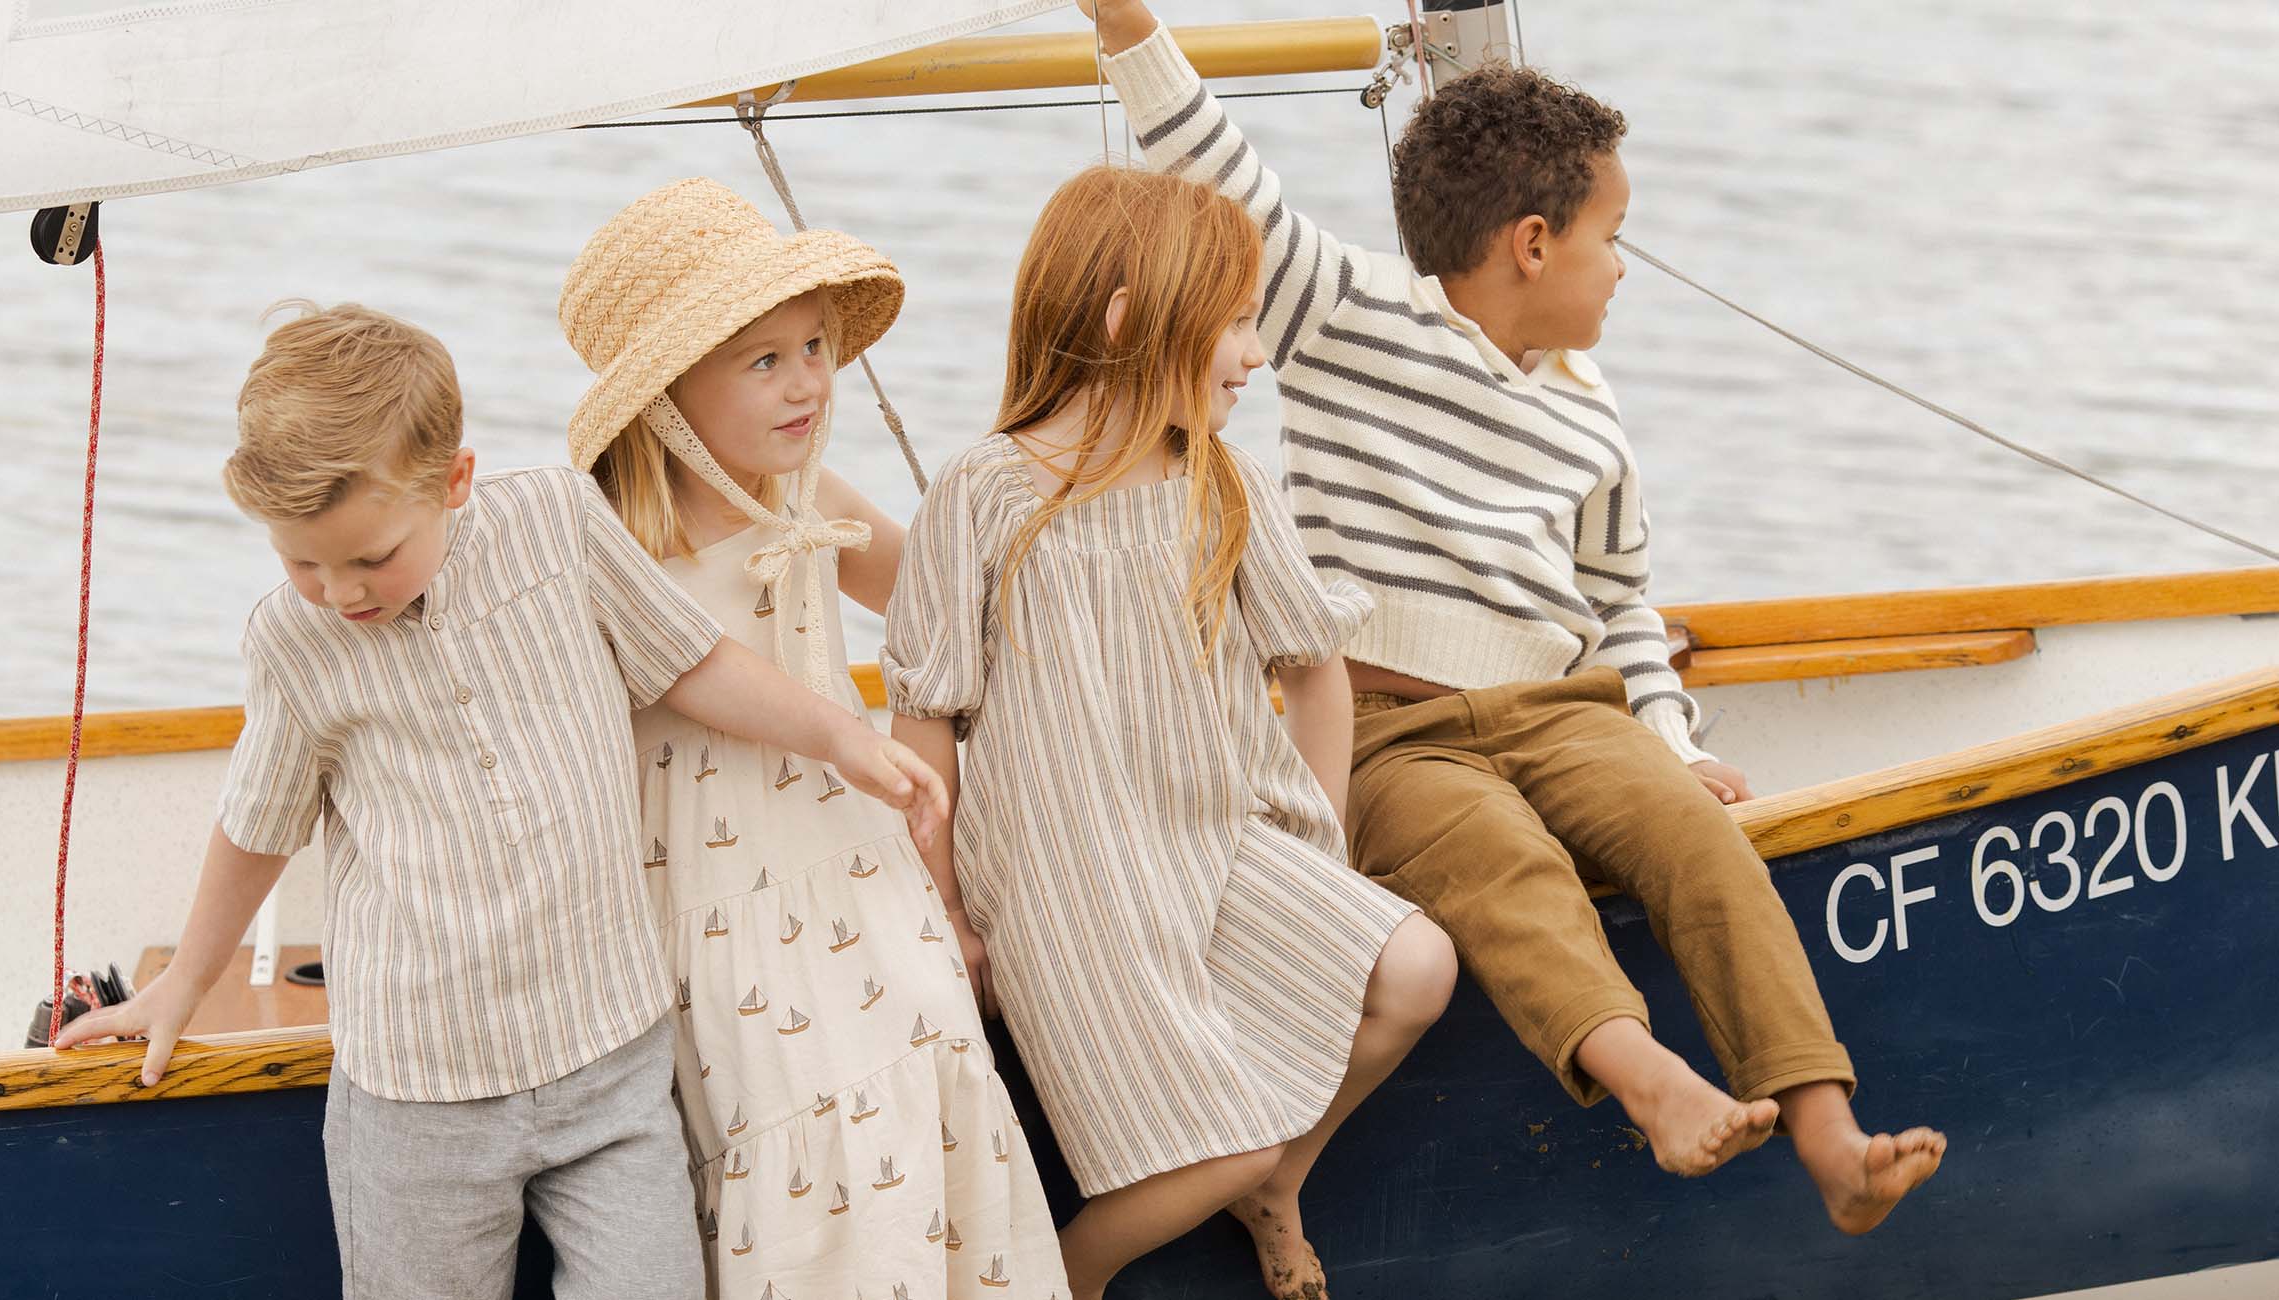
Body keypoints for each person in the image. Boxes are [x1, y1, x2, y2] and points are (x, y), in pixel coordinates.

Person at [1086, 0, 1945, 1235]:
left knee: (1701, 849)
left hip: (1562, 710)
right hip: (1395, 731)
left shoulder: (1590, 413)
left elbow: (1617, 601)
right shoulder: (1340, 315)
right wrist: (1124, 24)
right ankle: (1652, 1089)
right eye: (1614, 237)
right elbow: (1210, 158)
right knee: (1501, 864)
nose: (1623, 265)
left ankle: (1828, 1140)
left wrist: (1672, 742)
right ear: (1533, 244)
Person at [55, 301, 948, 1297]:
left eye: (369, 557)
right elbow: (257, 825)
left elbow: (691, 659)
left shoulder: (556, 523)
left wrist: (841, 737)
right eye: (300, 561)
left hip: (607, 1060)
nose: (341, 591)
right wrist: (181, 983)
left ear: (456, 482)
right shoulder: (291, 639)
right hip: (416, 1092)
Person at [883, 165, 1457, 1300]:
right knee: (1218, 1140)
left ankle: (1280, 1183)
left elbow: (1313, 670)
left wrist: (1319, 841)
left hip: (1221, 838)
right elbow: (925, 721)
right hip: (1070, 878)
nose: (1254, 354)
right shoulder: (983, 494)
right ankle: (1064, 1276)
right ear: (1126, 319)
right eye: (1233, 322)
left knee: (1415, 967)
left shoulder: (1221, 481)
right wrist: (943, 913)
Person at [563, 178, 1069, 1299]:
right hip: (716, 889)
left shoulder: (798, 487)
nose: (806, 382)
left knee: (934, 1038)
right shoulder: (611, 539)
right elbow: (667, 684)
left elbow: (937, 597)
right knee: (803, 1100)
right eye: (762, 361)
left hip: (851, 858)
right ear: (664, 394)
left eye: (812, 347)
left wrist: (1046, 521)